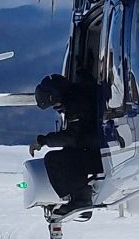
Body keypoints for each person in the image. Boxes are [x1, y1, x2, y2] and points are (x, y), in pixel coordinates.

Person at [29, 73, 101, 215]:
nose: (56, 107)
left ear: (55, 95)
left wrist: (44, 141)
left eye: (54, 103)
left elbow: (72, 137)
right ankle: (78, 198)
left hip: (99, 154)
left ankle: (81, 199)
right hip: (99, 150)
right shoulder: (80, 96)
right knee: (66, 155)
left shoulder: (77, 103)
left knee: (55, 160)